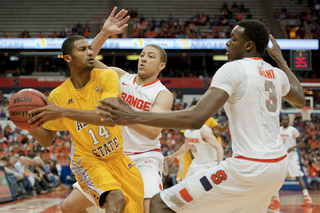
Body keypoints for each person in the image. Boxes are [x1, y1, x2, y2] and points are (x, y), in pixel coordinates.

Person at [97, 20, 306, 212]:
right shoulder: (275, 73)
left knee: (160, 203)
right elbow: (300, 100)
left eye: (233, 39)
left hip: (248, 167)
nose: (227, 43)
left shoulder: (234, 69)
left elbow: (196, 118)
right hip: (277, 167)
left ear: (248, 46)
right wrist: (279, 59)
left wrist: (135, 116)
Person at [27, 7, 144, 213]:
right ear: (68, 58)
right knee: (116, 200)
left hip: (118, 157)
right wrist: (29, 124)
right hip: (87, 160)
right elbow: (46, 140)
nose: (90, 52)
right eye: (82, 50)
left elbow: (109, 117)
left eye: (90, 48)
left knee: (135, 209)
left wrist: (63, 112)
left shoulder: (107, 77)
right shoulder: (58, 96)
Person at [68, 9, 173, 213]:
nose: (143, 59)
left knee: (150, 206)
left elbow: (153, 132)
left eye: (150, 57)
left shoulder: (162, 93)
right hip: (114, 156)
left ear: (161, 65)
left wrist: (123, 113)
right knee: (69, 207)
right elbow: (85, 61)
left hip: (144, 157)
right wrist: (105, 33)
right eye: (142, 55)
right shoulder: (120, 76)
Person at [270, 115, 312, 207]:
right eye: (283, 120)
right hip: (282, 155)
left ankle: (307, 198)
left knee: (298, 176)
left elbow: (301, 143)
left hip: (292, 155)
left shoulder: (293, 130)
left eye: (286, 120)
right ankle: (276, 199)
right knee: (277, 176)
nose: (285, 121)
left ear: (288, 121)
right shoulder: (279, 129)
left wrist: (293, 147)